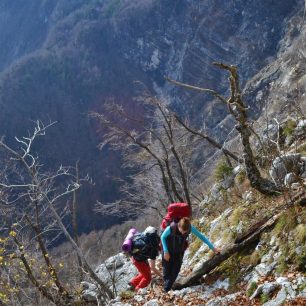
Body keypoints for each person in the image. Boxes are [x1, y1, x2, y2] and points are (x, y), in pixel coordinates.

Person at [161, 217, 221, 292]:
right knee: (166, 271)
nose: (183, 233)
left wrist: (213, 248)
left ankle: (166, 289)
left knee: (175, 270)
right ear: (179, 226)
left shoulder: (190, 228)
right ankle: (167, 287)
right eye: (182, 231)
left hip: (178, 252)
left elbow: (202, 237)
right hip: (167, 250)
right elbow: (162, 237)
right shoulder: (171, 228)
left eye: (185, 232)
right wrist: (166, 251)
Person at [128, 226, 162, 291]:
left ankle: (132, 283)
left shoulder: (141, 236)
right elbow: (153, 267)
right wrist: (162, 276)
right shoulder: (153, 249)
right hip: (140, 262)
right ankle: (137, 289)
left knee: (146, 272)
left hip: (136, 258)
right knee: (148, 278)